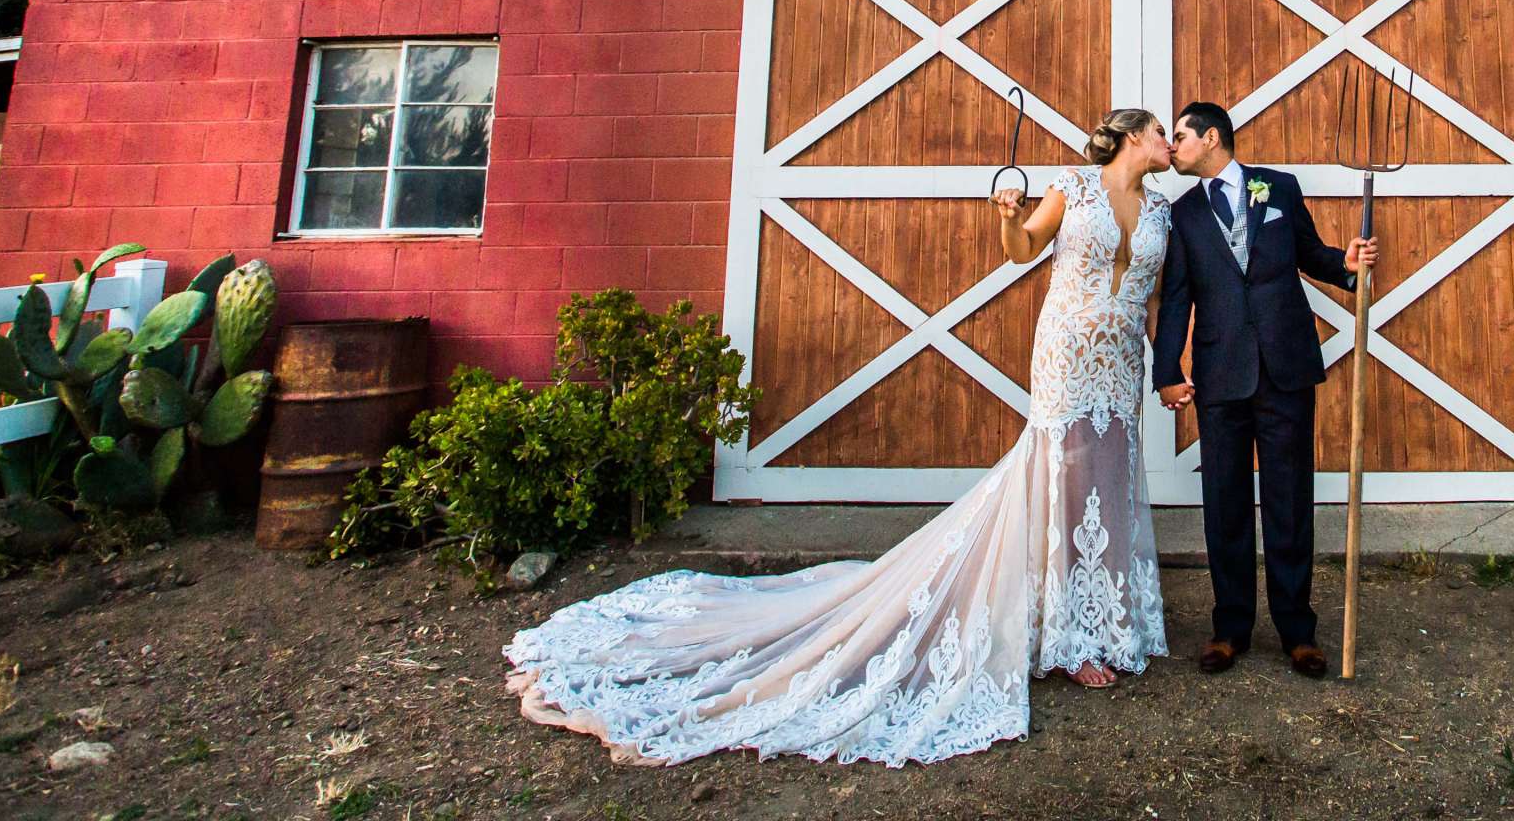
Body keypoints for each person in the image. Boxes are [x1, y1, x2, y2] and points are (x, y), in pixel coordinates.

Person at [503, 108, 1176, 767]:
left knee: (1109, 480)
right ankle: (1061, 632)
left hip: (1120, 359)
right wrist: (1005, 217)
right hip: (1064, 353)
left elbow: (1150, 297)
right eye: (1158, 134)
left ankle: (1107, 623)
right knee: (1057, 473)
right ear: (1128, 138)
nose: (1167, 143)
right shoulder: (1073, 186)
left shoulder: (1161, 211)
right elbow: (1023, 253)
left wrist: (1167, 368)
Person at [1154, 101, 1376, 678]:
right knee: (1224, 503)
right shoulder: (1182, 216)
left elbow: (1309, 254)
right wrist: (1167, 371)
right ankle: (1230, 628)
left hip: (1285, 367)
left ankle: (1297, 632)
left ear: (1212, 137)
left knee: (1288, 499)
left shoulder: (1277, 188)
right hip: (1221, 373)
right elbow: (1177, 297)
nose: (1172, 146)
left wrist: (1346, 265)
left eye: (1180, 136)